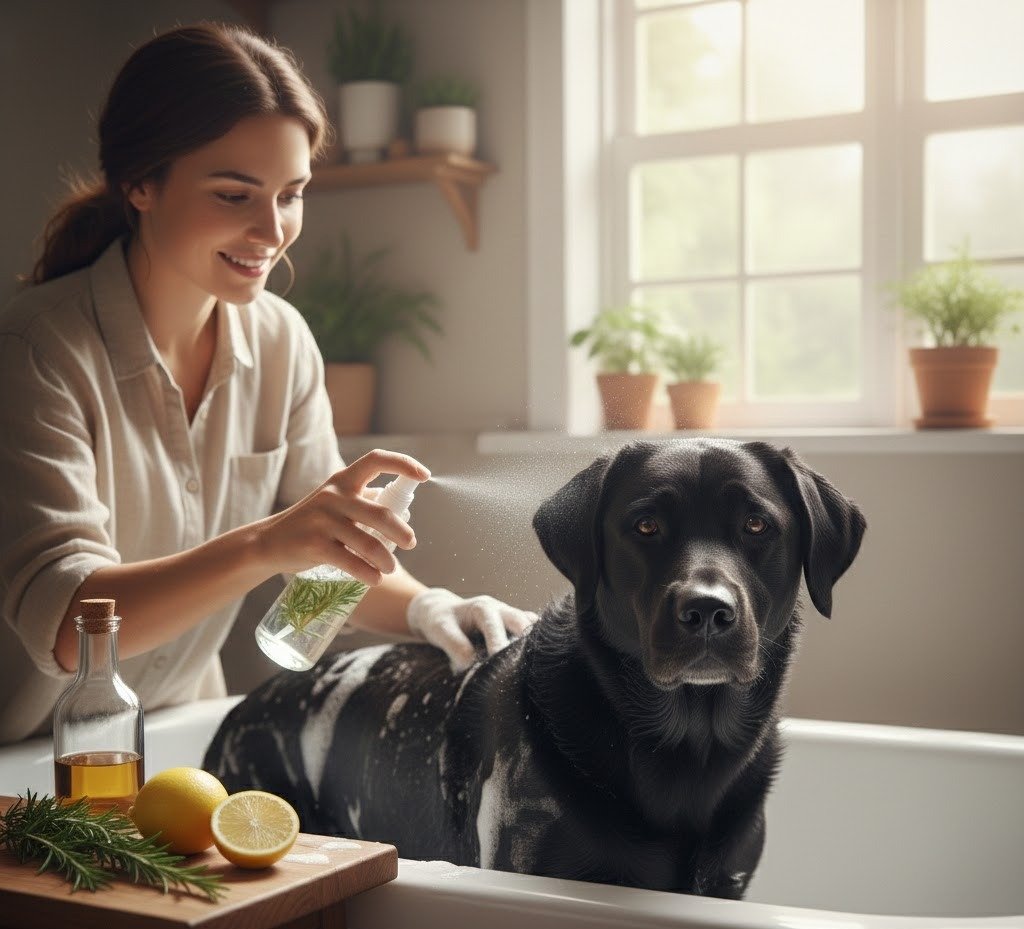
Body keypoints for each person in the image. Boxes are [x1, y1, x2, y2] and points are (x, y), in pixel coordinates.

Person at [0, 22, 535, 745]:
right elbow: (69, 627)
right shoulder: (37, 350)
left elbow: (319, 566)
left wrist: (426, 608)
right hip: (24, 765)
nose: (271, 229)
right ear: (140, 184)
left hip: (177, 738)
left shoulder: (281, 341)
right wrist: (265, 545)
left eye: (291, 194)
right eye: (233, 195)